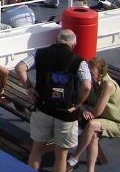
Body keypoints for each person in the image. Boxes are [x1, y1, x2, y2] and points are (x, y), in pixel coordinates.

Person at [15, 29, 92, 172]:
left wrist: (29, 88)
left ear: (57, 39)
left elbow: (20, 68)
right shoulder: (79, 62)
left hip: (43, 108)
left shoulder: (40, 53)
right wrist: (78, 105)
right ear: (74, 44)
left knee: (37, 149)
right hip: (66, 113)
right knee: (61, 155)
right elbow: (87, 86)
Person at [68, 57, 120, 171]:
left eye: (91, 73)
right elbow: (80, 101)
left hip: (116, 122)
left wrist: (85, 109)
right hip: (102, 119)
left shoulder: (108, 85)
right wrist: (84, 109)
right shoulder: (90, 82)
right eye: (88, 72)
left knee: (91, 125)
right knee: (93, 136)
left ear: (100, 74)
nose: (88, 76)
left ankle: (74, 157)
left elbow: (97, 112)